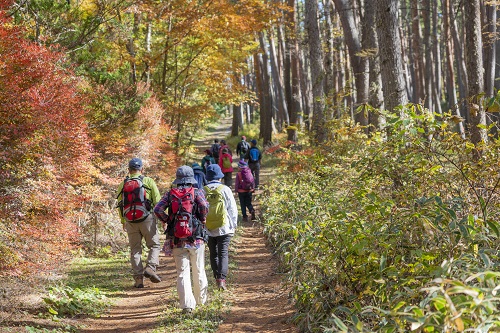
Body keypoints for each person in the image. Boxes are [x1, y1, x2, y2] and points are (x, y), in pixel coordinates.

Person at [154, 166, 209, 313]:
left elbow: (157, 209)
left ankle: (187, 306)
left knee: (182, 272)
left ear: (177, 180)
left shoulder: (170, 194)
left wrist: (168, 220)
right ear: (191, 179)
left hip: (177, 239)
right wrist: (202, 219)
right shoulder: (197, 192)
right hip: (196, 238)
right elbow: (203, 206)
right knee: (199, 269)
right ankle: (201, 301)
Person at [116, 158, 162, 288]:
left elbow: (120, 205)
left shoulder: (123, 184)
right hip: (147, 218)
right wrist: (162, 219)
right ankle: (151, 268)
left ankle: (138, 280)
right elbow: (158, 202)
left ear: (129, 170)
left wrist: (123, 221)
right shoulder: (148, 181)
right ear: (142, 169)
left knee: (135, 250)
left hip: (130, 220)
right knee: (154, 245)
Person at [203, 164, 238, 290]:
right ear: (220, 177)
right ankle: (221, 279)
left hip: (208, 227)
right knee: (223, 252)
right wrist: (234, 224)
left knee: (213, 254)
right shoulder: (225, 189)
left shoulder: (203, 190)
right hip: (224, 227)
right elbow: (232, 208)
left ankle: (216, 276)